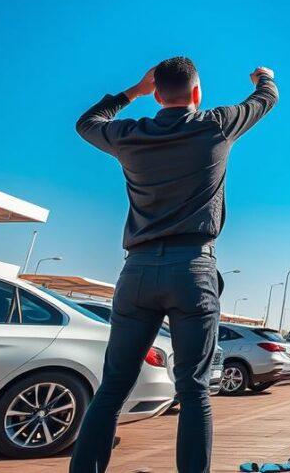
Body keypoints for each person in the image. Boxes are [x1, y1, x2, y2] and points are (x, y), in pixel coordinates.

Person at [70, 58, 278, 473]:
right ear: (197, 94)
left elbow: (87, 122)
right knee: (194, 389)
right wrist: (263, 77)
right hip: (192, 269)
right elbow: (265, 99)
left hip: (139, 271)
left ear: (157, 93)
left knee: (111, 389)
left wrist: (131, 91)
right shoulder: (216, 124)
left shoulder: (130, 134)